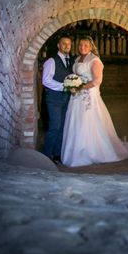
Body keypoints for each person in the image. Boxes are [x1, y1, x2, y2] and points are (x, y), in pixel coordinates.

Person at [61, 36, 128, 167]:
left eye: (85, 45)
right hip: (76, 96)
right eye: (80, 45)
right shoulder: (78, 59)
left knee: (87, 122)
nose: (82, 47)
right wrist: (73, 84)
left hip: (88, 95)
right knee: (76, 122)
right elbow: (77, 76)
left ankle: (89, 152)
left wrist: (79, 87)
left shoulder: (95, 60)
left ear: (90, 47)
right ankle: (74, 153)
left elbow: (97, 81)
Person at [41, 35, 74, 163]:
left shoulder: (70, 61)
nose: (67, 46)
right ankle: (46, 155)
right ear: (58, 46)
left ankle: (57, 154)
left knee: (61, 127)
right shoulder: (51, 61)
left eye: (69, 44)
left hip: (65, 99)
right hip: (54, 99)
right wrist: (63, 86)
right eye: (64, 43)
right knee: (54, 126)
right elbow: (45, 80)